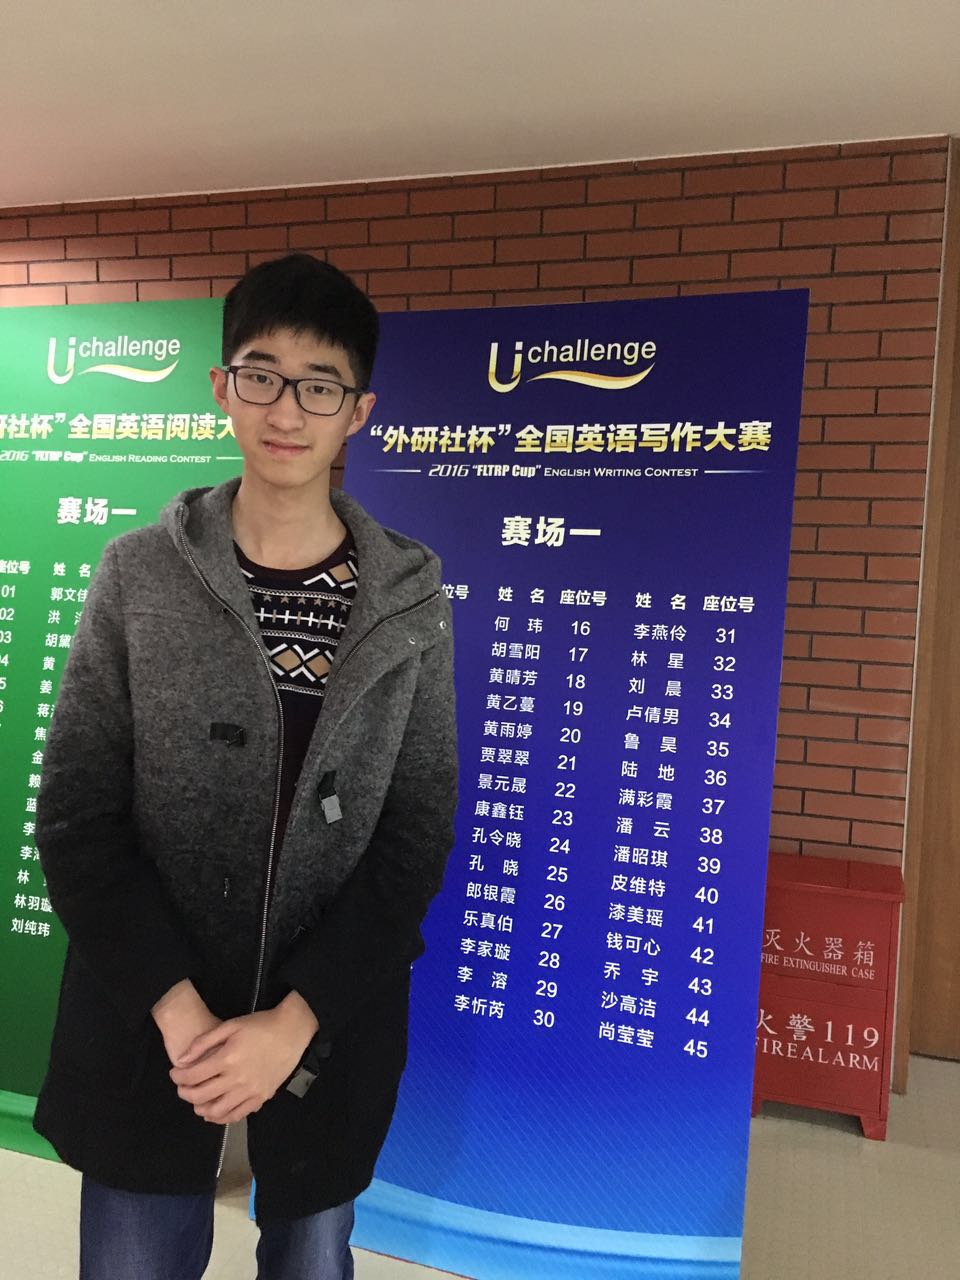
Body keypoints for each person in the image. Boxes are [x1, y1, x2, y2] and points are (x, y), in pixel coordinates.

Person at [33, 253, 459, 1280]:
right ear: (222, 386)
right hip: (149, 1018)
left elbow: (414, 833)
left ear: (358, 413)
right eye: (262, 374)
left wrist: (294, 1023)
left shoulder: (408, 599)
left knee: (312, 1251)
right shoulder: (139, 573)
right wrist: (181, 1016)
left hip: (326, 1028)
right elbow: (78, 816)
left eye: (320, 385)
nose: (287, 410)